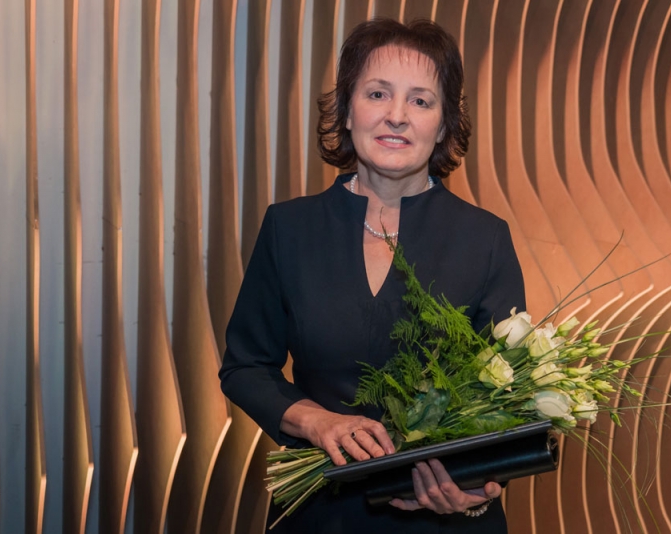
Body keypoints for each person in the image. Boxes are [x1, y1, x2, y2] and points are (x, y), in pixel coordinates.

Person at [220, 18, 526, 533]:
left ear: (444, 125)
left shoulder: (487, 238)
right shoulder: (288, 227)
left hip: (443, 520)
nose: (397, 116)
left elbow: (511, 396)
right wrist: (316, 421)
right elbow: (245, 367)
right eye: (378, 93)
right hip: (322, 512)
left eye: (421, 101)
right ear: (346, 109)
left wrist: (473, 494)